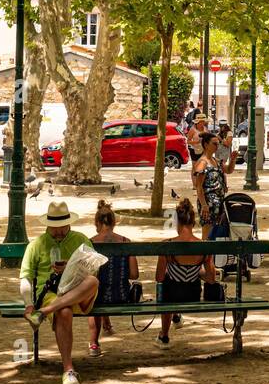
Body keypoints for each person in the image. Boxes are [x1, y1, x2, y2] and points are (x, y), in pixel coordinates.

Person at [20, 201, 97, 384]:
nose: (59, 231)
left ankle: (45, 311)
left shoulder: (80, 240)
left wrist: (70, 269)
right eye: (55, 228)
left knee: (93, 282)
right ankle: (68, 369)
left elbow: (94, 270)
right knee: (64, 312)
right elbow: (26, 278)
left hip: (79, 291)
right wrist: (29, 304)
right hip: (51, 293)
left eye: (63, 226)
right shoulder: (36, 245)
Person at [153, 198, 215, 348]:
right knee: (179, 281)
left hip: (171, 295)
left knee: (169, 283)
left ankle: (164, 335)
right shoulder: (204, 247)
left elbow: (159, 278)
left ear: (177, 223)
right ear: (193, 223)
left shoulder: (167, 245)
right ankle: (176, 316)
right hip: (192, 294)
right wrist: (197, 272)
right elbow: (211, 279)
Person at [86, 200, 139, 356]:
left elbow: (88, 274)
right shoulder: (125, 242)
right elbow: (134, 274)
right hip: (121, 295)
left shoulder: (90, 243)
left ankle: (94, 343)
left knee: (92, 292)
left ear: (97, 222)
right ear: (114, 222)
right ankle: (106, 325)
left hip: (98, 297)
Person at [194, 131, 229, 240]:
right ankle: (205, 257)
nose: (217, 146)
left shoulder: (216, 160)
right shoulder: (202, 162)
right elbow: (198, 187)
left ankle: (213, 257)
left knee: (216, 234)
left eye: (218, 144)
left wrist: (232, 159)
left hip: (219, 202)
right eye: (214, 144)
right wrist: (204, 205)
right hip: (208, 203)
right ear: (206, 145)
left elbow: (228, 170)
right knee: (207, 234)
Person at [186, 113, 208, 180]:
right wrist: (196, 142)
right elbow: (188, 141)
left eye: (203, 121)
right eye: (201, 122)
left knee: (203, 166)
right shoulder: (193, 130)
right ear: (198, 122)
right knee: (195, 166)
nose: (203, 123)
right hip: (194, 149)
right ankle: (194, 183)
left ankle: (201, 182)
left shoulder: (205, 129)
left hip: (203, 150)